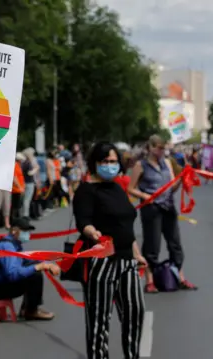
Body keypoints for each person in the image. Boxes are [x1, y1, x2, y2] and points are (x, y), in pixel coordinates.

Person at [73, 141, 147, 359]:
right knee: (99, 319)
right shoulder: (86, 190)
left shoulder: (117, 188)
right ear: (95, 163)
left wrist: (136, 253)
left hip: (127, 261)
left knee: (135, 313)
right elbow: (83, 221)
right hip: (101, 261)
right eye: (105, 161)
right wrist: (91, 232)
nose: (110, 165)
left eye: (113, 161)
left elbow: (126, 226)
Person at [128, 135, 197, 293]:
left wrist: (181, 179)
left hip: (168, 206)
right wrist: (145, 196)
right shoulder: (141, 165)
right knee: (152, 244)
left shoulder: (167, 163)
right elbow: (131, 188)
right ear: (151, 148)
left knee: (175, 244)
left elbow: (171, 187)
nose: (162, 151)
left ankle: (179, 276)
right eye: (159, 148)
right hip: (152, 208)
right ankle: (150, 280)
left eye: (163, 148)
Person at [0, 217, 58, 320]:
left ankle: (26, 308)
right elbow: (12, 274)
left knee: (33, 268)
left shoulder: (14, 244)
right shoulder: (7, 246)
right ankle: (31, 311)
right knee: (35, 275)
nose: (27, 234)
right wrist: (39, 267)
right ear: (14, 231)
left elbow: (25, 261)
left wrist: (46, 264)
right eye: (24, 231)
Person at [21, 148, 38, 219]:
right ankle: (26, 215)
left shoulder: (24, 162)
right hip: (29, 183)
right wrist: (36, 169)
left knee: (26, 199)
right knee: (27, 199)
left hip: (26, 182)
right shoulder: (27, 163)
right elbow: (30, 173)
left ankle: (25, 214)